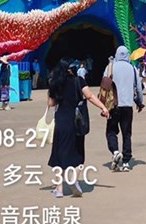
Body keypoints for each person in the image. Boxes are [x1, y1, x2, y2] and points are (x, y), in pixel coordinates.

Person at [47, 59, 109, 198]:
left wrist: (53, 90)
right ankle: (74, 179)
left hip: (61, 122)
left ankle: (59, 189)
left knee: (59, 156)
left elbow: (51, 103)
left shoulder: (56, 83)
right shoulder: (78, 81)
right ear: (71, 69)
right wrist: (103, 107)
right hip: (76, 122)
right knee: (78, 153)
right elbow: (90, 96)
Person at [104, 46, 144, 171]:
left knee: (111, 131)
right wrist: (139, 102)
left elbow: (104, 85)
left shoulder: (110, 67)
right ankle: (126, 162)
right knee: (126, 133)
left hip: (113, 105)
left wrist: (103, 105)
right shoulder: (132, 68)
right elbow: (138, 87)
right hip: (127, 106)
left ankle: (115, 152)